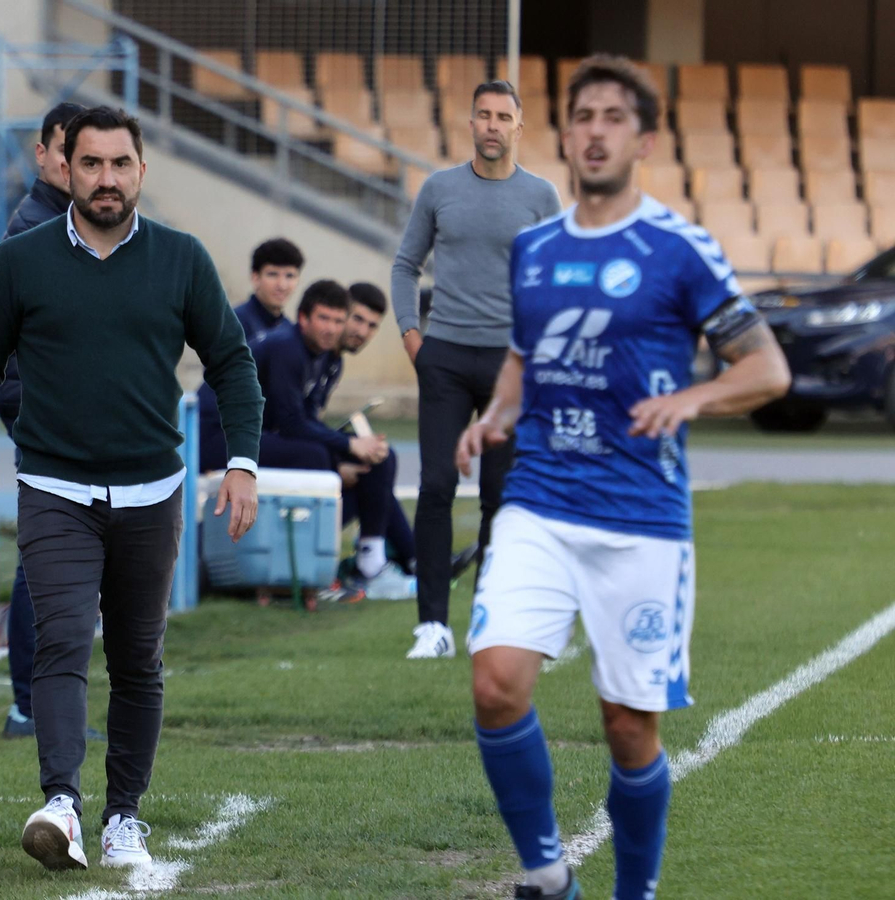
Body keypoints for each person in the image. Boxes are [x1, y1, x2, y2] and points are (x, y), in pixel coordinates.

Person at [457, 55, 789, 900]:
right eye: (583, 116)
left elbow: (767, 369)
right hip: (541, 497)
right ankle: (547, 877)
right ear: (565, 136)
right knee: (495, 683)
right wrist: (495, 416)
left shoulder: (679, 249)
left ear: (644, 140)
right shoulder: (534, 249)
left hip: (641, 516)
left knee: (628, 726)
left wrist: (692, 398)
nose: (596, 131)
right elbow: (524, 355)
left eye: (614, 117)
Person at [0, 106, 262, 872]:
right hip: (54, 487)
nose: (107, 178)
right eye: (91, 164)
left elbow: (231, 363)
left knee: (138, 659)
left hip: (153, 492)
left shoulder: (181, 258)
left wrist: (243, 464)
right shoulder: (21, 260)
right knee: (61, 639)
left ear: (141, 171)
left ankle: (124, 817)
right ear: (66, 168)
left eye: (121, 164)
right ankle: (61, 803)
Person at [392, 80, 564, 660]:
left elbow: (553, 280)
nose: (492, 125)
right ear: (470, 124)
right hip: (443, 357)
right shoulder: (439, 188)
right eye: (483, 115)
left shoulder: (541, 196)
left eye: (503, 117)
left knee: (499, 496)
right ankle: (432, 626)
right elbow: (405, 265)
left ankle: (488, 619)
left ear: (519, 127)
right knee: (437, 486)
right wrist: (412, 337)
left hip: (508, 366)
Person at [0, 102, 92, 741]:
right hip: (41, 408)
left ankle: (42, 704)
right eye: (69, 153)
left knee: (66, 556)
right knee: (49, 556)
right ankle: (29, 706)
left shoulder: (72, 222)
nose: (79, 166)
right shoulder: (38, 227)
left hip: (63, 407)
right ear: (43, 155)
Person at [253, 281, 413, 598]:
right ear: (303, 318)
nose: (358, 331)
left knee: (379, 458)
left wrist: (350, 451)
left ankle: (378, 562)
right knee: (318, 457)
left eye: (338, 321)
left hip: (266, 438)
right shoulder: (288, 347)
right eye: (354, 319)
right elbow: (291, 423)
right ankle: (311, 568)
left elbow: (305, 419)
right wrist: (345, 451)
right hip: (221, 438)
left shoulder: (329, 359)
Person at [197, 238, 305, 472]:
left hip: (260, 430)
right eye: (273, 274)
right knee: (311, 455)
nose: (282, 284)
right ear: (255, 277)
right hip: (222, 432)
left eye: (290, 276)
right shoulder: (233, 321)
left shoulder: (289, 330)